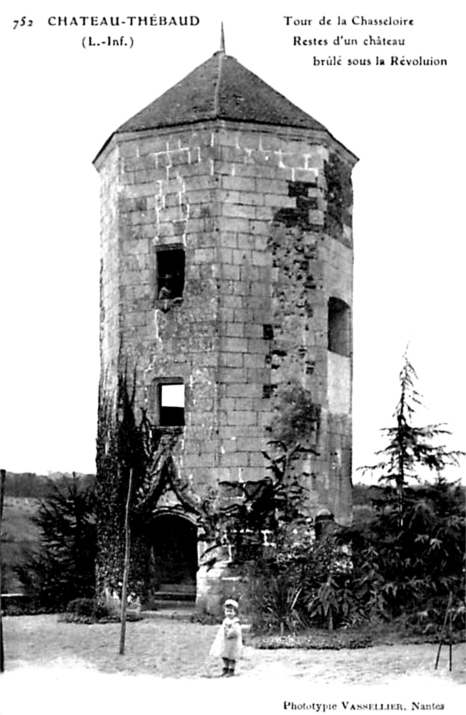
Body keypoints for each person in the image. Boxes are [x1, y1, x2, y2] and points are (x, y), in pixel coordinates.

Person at [209, 598, 243, 677]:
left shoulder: (235, 622)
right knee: (224, 654)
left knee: (232, 655)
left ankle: (231, 669)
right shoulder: (225, 621)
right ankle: (225, 668)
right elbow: (222, 630)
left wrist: (230, 633)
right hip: (225, 642)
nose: (229, 613)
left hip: (232, 642)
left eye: (231, 611)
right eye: (227, 611)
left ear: (235, 612)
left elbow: (236, 632)